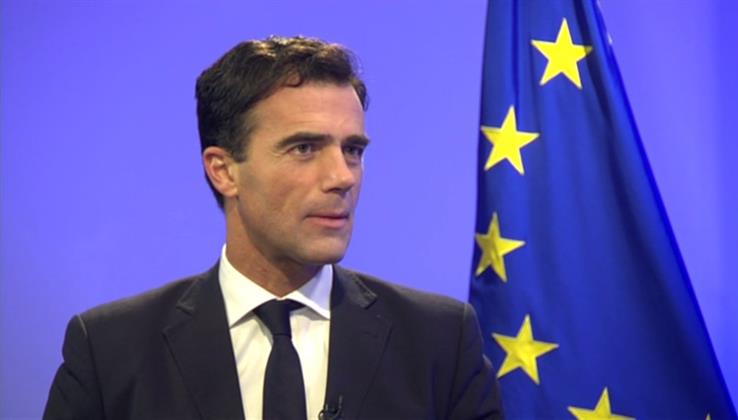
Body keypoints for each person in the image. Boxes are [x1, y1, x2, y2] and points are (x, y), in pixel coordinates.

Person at [43, 36, 503, 420]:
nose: (342, 176)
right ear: (224, 171)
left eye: (353, 150)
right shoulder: (110, 351)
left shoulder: (439, 342)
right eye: (305, 148)